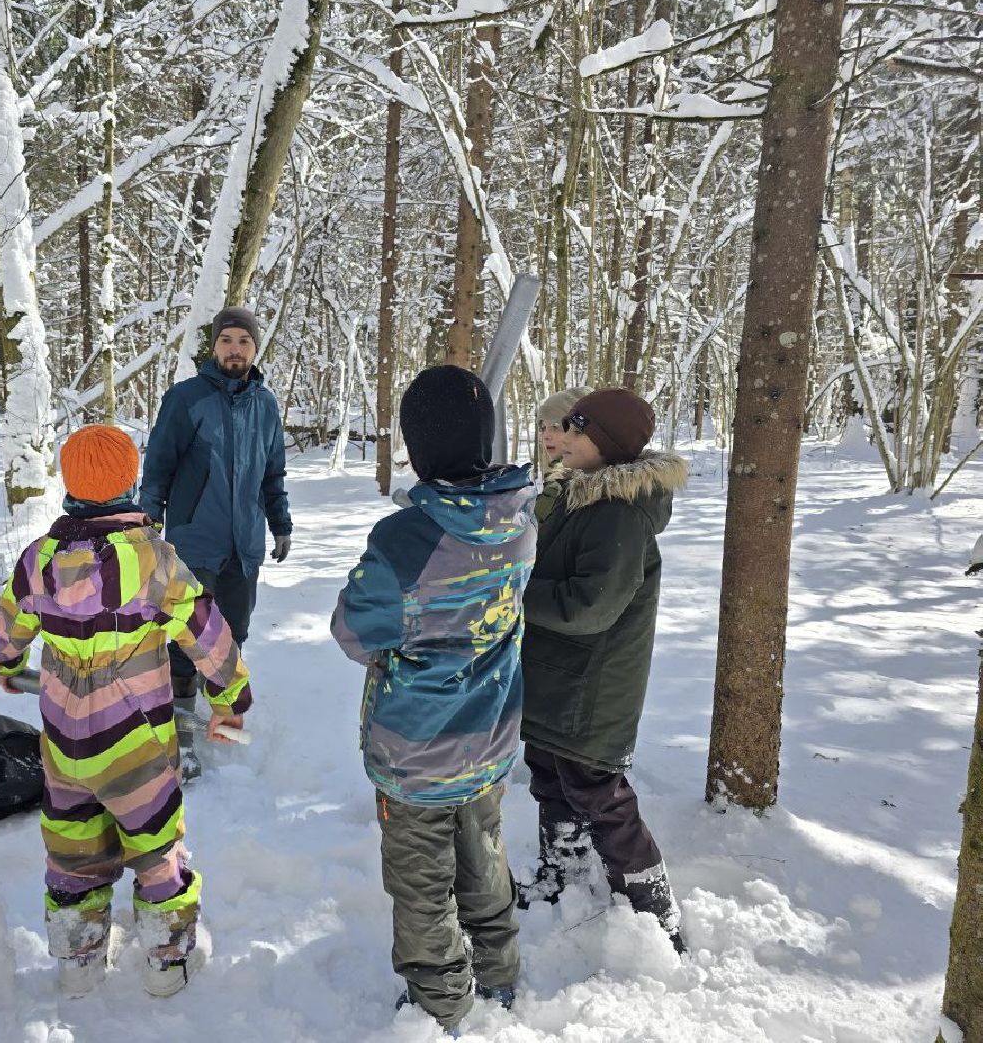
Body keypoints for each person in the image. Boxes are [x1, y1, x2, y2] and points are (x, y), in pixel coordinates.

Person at [0, 424, 251, 998]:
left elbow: (10, 626)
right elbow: (205, 630)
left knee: (73, 851)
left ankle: (78, 962)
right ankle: (165, 963)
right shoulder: (151, 562)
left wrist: (7, 665)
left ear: (70, 484)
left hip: (65, 747)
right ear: (129, 483)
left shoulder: (38, 562)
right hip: (137, 746)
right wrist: (230, 697)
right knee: (157, 848)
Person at [331, 366, 536, 1034]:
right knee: (483, 856)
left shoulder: (405, 543)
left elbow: (355, 631)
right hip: (492, 734)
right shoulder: (518, 520)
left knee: (422, 884)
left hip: (418, 750)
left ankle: (440, 1002)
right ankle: (499, 972)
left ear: (417, 448)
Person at [516, 388, 689, 954]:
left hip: (592, 689)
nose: (561, 438)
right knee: (550, 779)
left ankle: (654, 910)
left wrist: (512, 594)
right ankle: (561, 877)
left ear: (606, 445)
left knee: (600, 795)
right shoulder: (579, 497)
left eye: (577, 430)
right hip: (557, 677)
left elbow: (590, 607)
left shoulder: (619, 514)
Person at [139, 306, 290, 781]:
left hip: (244, 543)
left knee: (234, 634)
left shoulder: (265, 405)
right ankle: (180, 728)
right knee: (187, 636)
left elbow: (273, 473)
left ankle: (222, 717)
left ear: (254, 348)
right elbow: (159, 462)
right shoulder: (186, 399)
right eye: (227, 340)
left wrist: (280, 522)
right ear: (214, 346)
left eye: (243, 341)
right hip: (192, 541)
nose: (235, 349)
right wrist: (150, 519)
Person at [533, 385, 592, 525]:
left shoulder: (585, 487)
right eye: (543, 428)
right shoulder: (559, 479)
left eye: (555, 426)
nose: (546, 435)